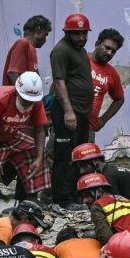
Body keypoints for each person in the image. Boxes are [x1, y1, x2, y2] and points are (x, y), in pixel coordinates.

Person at [0, 73, 51, 223]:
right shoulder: (1, 98)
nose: (28, 105)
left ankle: (31, 201)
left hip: (9, 133)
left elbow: (39, 130)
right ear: (17, 92)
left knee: (34, 150)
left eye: (31, 102)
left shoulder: (35, 102)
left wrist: (39, 158)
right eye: (25, 101)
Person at [50, 14, 94, 208]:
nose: (81, 37)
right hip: (68, 112)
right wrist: (68, 112)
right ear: (67, 33)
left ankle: (76, 195)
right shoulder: (61, 50)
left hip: (81, 112)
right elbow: (59, 83)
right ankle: (63, 199)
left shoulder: (80, 50)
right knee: (64, 156)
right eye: (76, 34)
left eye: (84, 33)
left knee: (79, 155)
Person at [71, 142, 130, 209]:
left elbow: (114, 206)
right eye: (79, 167)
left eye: (84, 166)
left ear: (95, 161)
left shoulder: (107, 176)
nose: (81, 171)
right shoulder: (109, 169)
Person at [89, 29, 126, 133]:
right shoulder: (81, 60)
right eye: (107, 48)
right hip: (66, 122)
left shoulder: (112, 73)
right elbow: (59, 84)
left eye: (113, 51)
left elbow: (119, 99)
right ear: (97, 44)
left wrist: (103, 120)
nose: (109, 53)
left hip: (88, 128)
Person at [2, 15, 51, 85]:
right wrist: (21, 92)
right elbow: (12, 73)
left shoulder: (32, 49)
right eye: (45, 35)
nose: (45, 40)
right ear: (38, 30)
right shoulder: (22, 43)